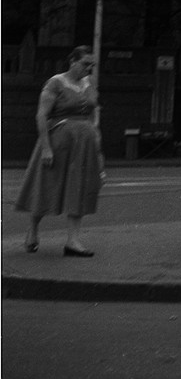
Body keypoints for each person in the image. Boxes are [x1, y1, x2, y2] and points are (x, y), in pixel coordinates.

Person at [15, 45, 103, 256]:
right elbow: (41, 115)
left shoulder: (89, 83)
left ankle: (73, 241)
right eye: (85, 64)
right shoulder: (55, 83)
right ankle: (33, 229)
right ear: (72, 61)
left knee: (79, 188)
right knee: (47, 186)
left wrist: (97, 145)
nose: (88, 69)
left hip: (85, 144)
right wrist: (46, 147)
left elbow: (94, 112)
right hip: (58, 142)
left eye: (92, 65)